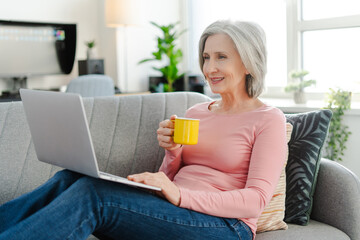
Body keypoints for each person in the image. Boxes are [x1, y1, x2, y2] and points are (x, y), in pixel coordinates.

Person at [0, 20, 286, 240]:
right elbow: (169, 179)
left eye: (221, 56)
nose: (209, 67)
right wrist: (173, 152)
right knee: (70, 178)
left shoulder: (267, 119)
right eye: (206, 57)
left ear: (249, 62)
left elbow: (254, 201)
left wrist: (178, 194)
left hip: (226, 226)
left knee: (94, 195)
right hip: (176, 209)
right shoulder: (197, 112)